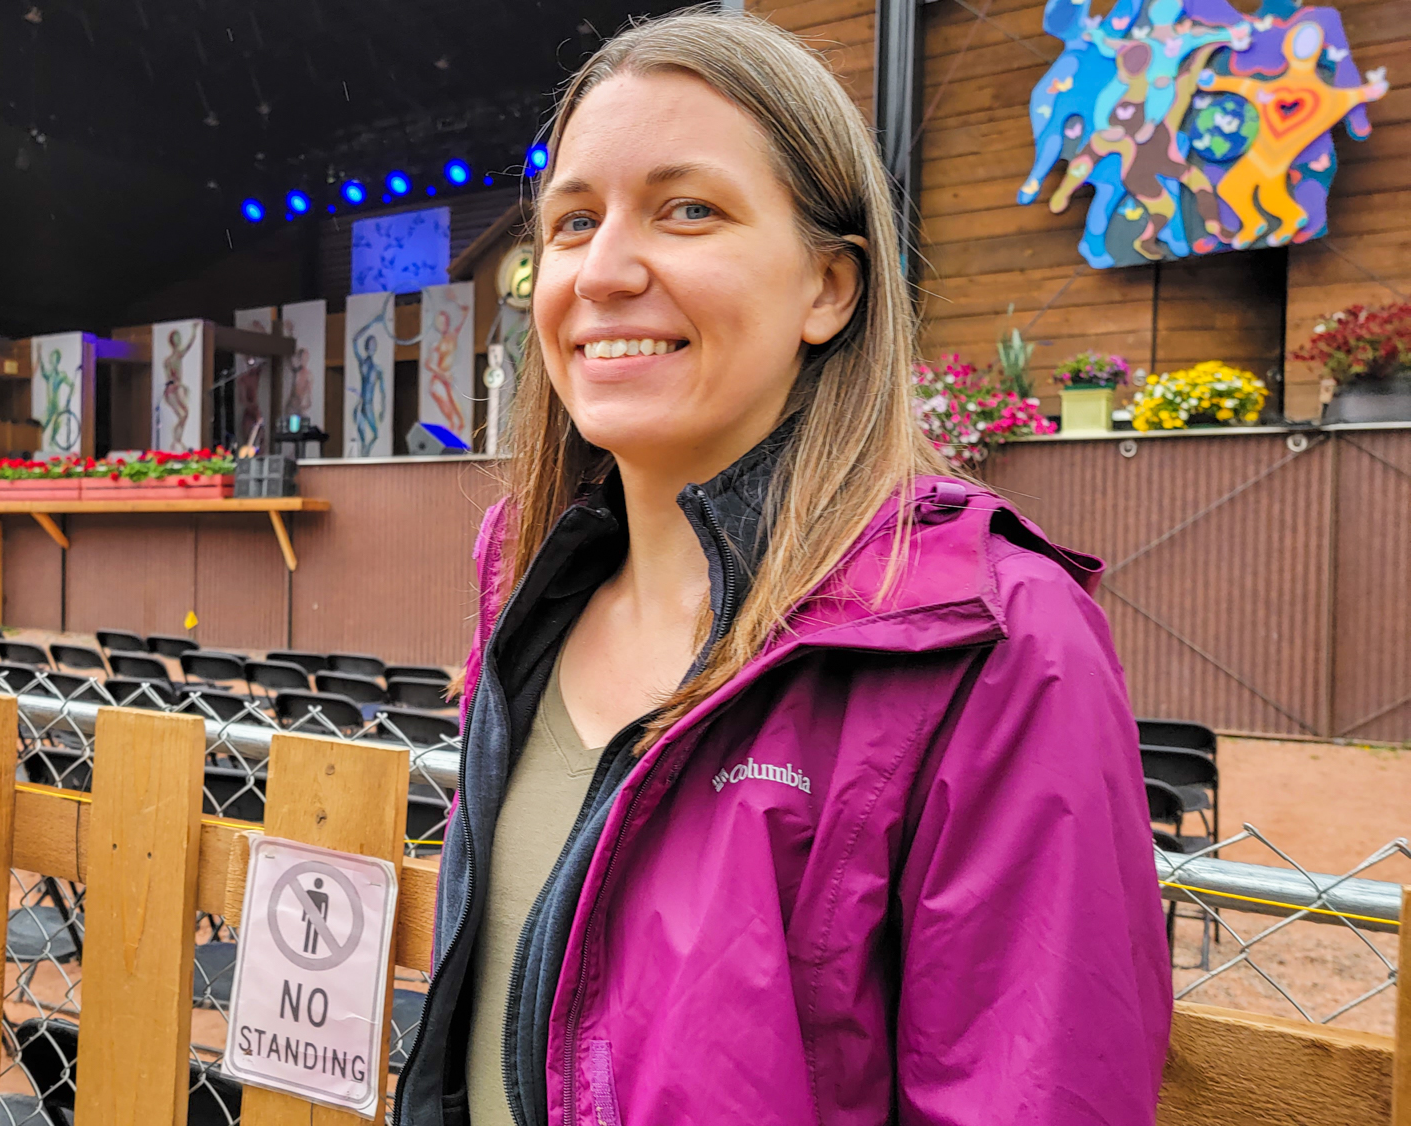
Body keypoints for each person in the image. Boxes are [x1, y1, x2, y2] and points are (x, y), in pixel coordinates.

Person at [392, 13, 1170, 1126]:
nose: (602, 270)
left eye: (688, 209)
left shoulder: (991, 639)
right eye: (570, 221)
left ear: (829, 288)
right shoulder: (527, 587)